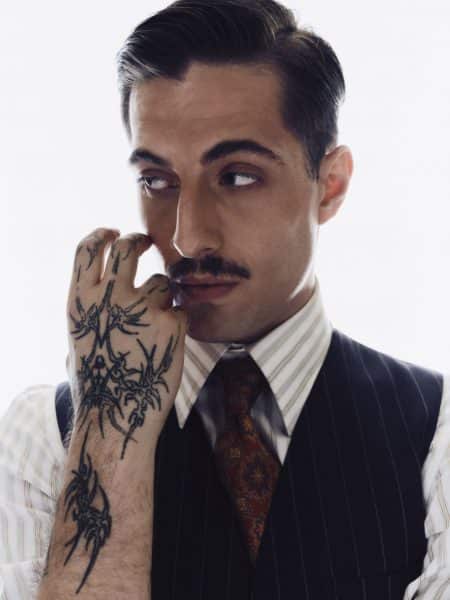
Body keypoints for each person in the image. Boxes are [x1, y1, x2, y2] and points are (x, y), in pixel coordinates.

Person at [0, 0, 449, 598]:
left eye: (237, 176)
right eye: (157, 181)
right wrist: (107, 431)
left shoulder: (436, 426)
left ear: (330, 185)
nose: (187, 238)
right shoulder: (44, 436)